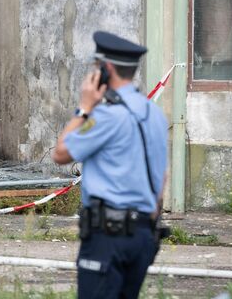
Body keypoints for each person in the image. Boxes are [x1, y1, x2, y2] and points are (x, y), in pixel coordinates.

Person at [52, 31, 169, 298]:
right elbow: (161, 178)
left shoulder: (105, 116)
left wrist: (84, 108)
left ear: (106, 70)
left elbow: (60, 153)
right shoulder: (155, 114)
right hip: (143, 236)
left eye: (95, 67)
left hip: (108, 237)